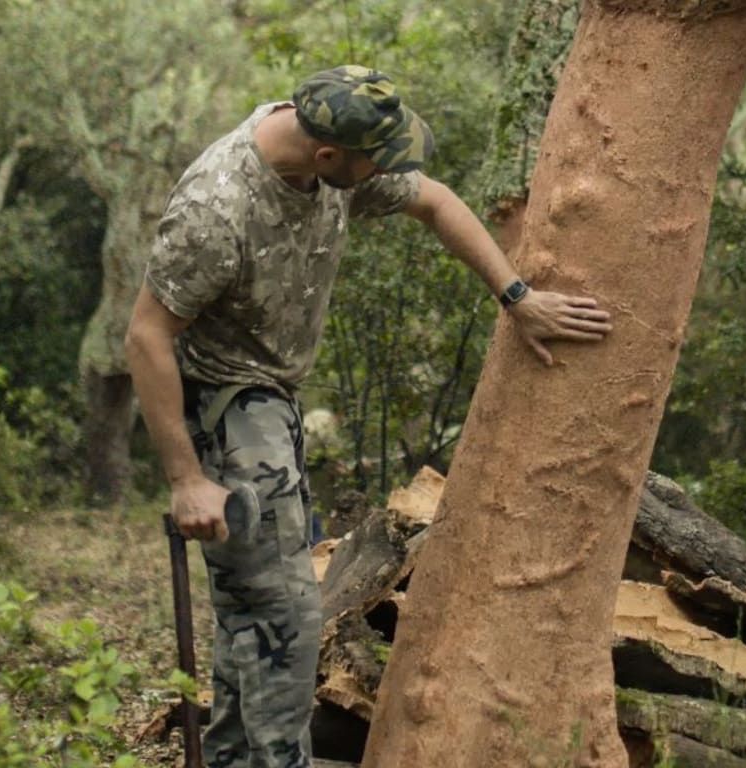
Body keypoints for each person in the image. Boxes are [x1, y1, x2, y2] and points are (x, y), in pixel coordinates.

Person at [123, 65, 613, 768]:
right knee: (285, 616)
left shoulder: (326, 153)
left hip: (271, 402)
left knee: (252, 614)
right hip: (222, 405)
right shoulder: (215, 209)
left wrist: (517, 294)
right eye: (374, 161)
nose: (387, 170)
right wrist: (184, 478)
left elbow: (436, 201)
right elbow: (146, 336)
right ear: (328, 156)